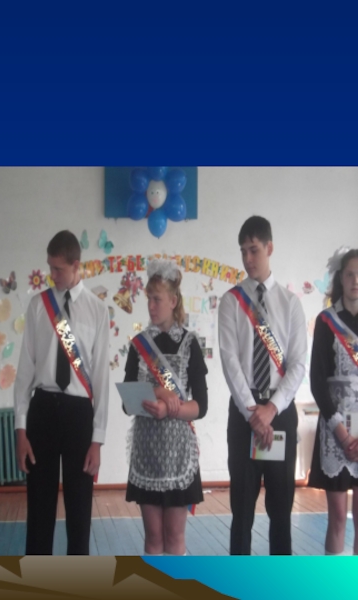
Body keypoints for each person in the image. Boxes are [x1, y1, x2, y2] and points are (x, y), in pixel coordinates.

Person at [14, 230, 109, 555]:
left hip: (79, 414)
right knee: (39, 508)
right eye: (49, 267)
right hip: (42, 409)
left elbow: (101, 377)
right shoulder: (38, 306)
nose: (52, 275)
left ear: (76, 265)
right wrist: (20, 430)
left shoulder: (97, 310)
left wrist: (97, 440)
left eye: (58, 269)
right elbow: (24, 372)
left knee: (79, 510)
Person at [219, 216, 307, 555]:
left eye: (254, 250)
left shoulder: (290, 304)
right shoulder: (231, 301)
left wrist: (271, 410)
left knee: (281, 512)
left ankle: (278, 580)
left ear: (270, 248)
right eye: (242, 251)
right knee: (241, 512)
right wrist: (254, 414)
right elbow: (230, 362)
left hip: (279, 414)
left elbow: (298, 364)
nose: (247, 258)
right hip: (244, 416)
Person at [123, 259, 207, 556]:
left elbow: (201, 406)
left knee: (174, 537)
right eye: (149, 299)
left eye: (157, 299)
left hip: (179, 454)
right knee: (153, 538)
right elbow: (127, 402)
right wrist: (158, 391)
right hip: (147, 452)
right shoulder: (138, 345)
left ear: (173, 301)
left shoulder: (190, 344)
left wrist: (170, 409)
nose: (151, 306)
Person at [308, 246, 358, 556]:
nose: (356, 281)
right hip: (335, 430)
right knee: (337, 517)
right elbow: (317, 382)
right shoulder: (327, 321)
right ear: (341, 278)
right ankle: (336, 582)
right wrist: (342, 433)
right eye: (351, 274)